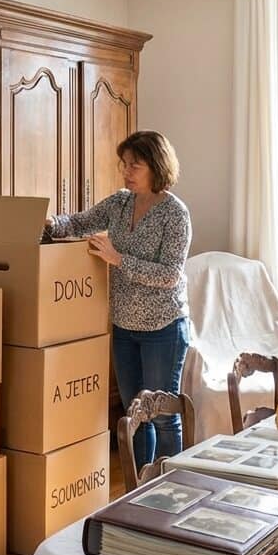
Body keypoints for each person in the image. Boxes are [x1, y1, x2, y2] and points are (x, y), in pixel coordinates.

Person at [45, 130, 192, 469]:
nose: (126, 172)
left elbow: (170, 274)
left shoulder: (175, 213)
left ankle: (173, 487)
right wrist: (51, 223)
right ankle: (138, 487)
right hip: (124, 326)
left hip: (164, 327)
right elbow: (79, 222)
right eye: (124, 164)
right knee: (134, 415)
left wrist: (118, 259)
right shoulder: (119, 203)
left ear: (156, 166)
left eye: (134, 165)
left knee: (162, 417)